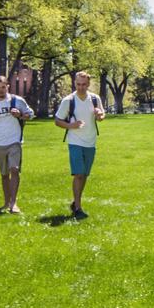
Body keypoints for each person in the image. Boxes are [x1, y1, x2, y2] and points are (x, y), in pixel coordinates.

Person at [54, 71, 105, 219]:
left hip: (91, 141)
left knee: (84, 175)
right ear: (74, 83)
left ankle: (75, 202)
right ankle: (78, 207)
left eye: (84, 84)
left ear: (88, 84)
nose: (81, 87)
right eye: (78, 84)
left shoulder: (95, 99)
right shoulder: (68, 100)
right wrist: (72, 125)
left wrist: (99, 115)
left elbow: (102, 115)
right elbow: (57, 121)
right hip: (75, 141)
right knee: (79, 174)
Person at [0, 75, 35, 214]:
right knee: (4, 175)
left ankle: (14, 203)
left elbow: (30, 114)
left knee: (14, 170)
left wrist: (20, 115)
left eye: (3, 87)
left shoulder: (17, 101)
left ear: (8, 87)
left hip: (14, 141)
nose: (0, 90)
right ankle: (6, 202)